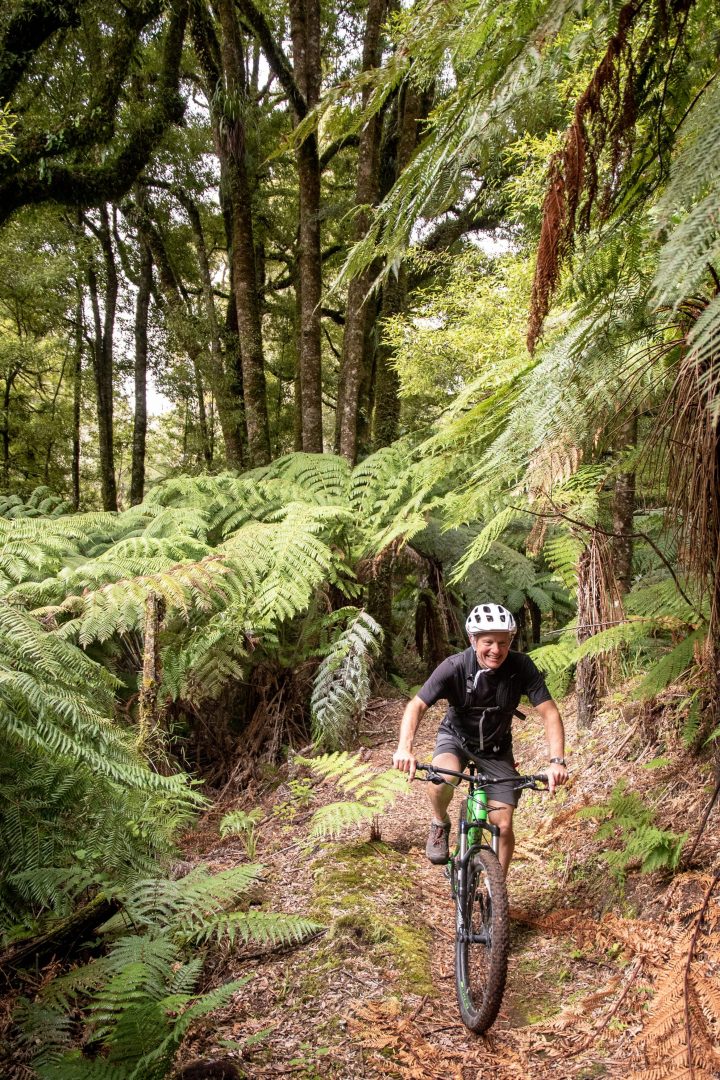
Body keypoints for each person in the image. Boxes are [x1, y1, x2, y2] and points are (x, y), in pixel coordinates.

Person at [392, 602, 568, 876]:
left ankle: (496, 889)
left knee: (504, 824)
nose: (496, 650)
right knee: (441, 779)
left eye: (503, 642)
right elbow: (417, 705)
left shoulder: (521, 667)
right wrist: (405, 749)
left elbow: (549, 713)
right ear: (473, 640)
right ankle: (440, 822)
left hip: (496, 749)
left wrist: (557, 761)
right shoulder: (454, 667)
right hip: (456, 739)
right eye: (488, 642)